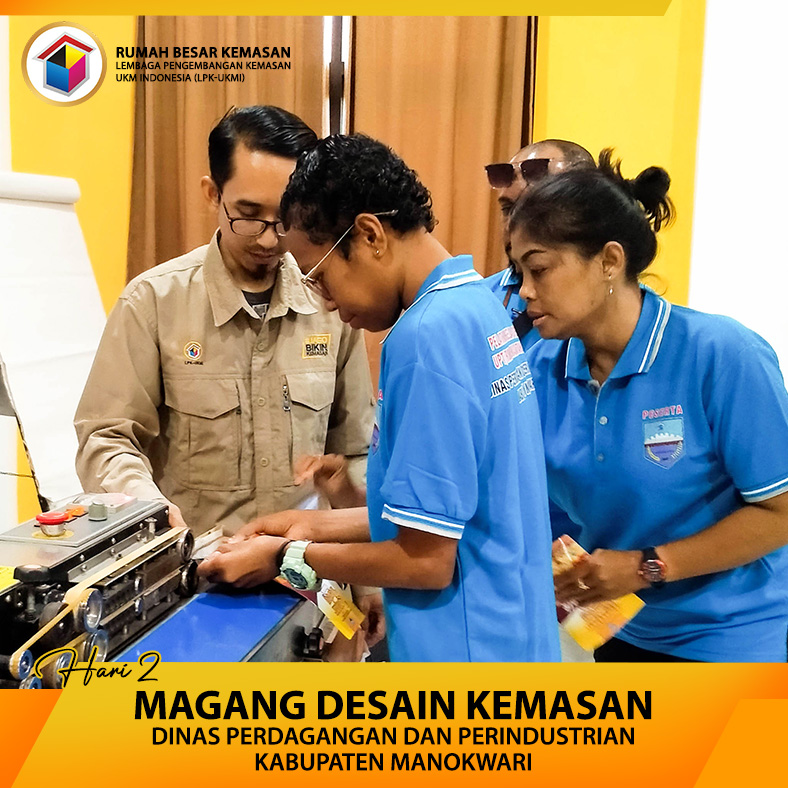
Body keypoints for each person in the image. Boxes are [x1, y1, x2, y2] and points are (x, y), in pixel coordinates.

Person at [199, 133, 560, 663]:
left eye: (321, 277)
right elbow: (441, 515)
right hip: (514, 634)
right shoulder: (478, 303)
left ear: (369, 235)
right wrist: (305, 525)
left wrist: (286, 556)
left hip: (464, 651)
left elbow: (425, 561)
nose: (327, 303)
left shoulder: (425, 337)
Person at [508, 150, 788, 661]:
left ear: (609, 262)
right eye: (519, 272)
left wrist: (647, 566)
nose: (524, 291)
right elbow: (531, 498)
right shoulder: (537, 368)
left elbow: (780, 512)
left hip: (734, 638)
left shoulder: (721, 355)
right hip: (623, 633)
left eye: (539, 269)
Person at [74, 106, 374, 536]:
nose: (269, 238)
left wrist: (355, 519)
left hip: (304, 562)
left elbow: (357, 449)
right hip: (195, 563)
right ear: (213, 194)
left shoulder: (330, 303)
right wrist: (149, 509)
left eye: (285, 219)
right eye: (248, 214)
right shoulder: (154, 302)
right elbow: (106, 438)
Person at [483, 139, 594, 344]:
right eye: (508, 209)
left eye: (532, 210)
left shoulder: (617, 310)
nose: (514, 227)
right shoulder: (480, 301)